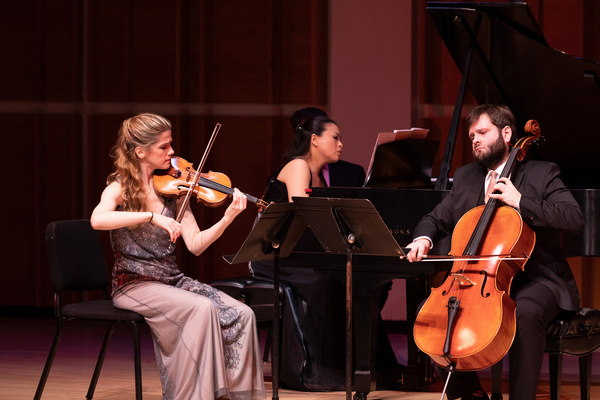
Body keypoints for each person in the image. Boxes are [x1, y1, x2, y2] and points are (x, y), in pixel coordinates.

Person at [405, 104, 584, 400]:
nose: (475, 139)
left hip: (537, 279)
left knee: (524, 313)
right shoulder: (465, 178)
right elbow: (435, 218)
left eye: (483, 132)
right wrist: (423, 238)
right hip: (479, 281)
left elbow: (574, 218)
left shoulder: (541, 173)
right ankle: (471, 394)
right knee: (432, 316)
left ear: (506, 133)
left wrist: (521, 201)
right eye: (472, 134)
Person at [90, 113, 266, 400]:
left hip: (172, 281)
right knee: (201, 309)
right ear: (140, 152)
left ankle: (236, 396)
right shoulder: (121, 187)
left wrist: (228, 218)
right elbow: (97, 220)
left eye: (170, 144)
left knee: (241, 314)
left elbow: (195, 244)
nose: (171, 152)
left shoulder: (176, 190)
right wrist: (151, 217)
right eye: (163, 147)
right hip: (133, 284)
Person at [290, 107, 366, 187]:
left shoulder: (318, 174)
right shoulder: (298, 165)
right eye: (335, 138)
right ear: (314, 139)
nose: (341, 144)